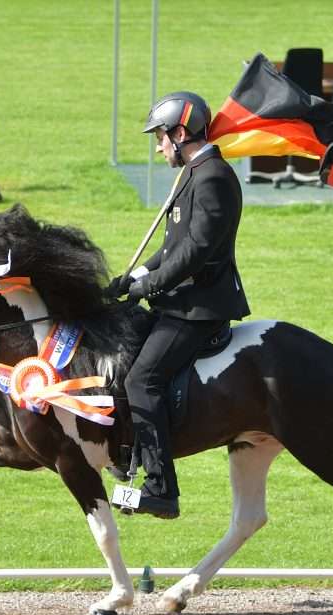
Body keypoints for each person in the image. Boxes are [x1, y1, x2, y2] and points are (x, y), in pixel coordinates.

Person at [107, 92, 250, 519]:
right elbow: (170, 249)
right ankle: (128, 453)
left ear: (181, 133)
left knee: (141, 381)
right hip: (179, 301)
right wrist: (131, 278)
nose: (158, 147)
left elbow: (195, 252)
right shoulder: (193, 172)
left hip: (199, 308)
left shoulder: (213, 178)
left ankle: (160, 489)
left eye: (160, 138)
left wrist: (147, 286)